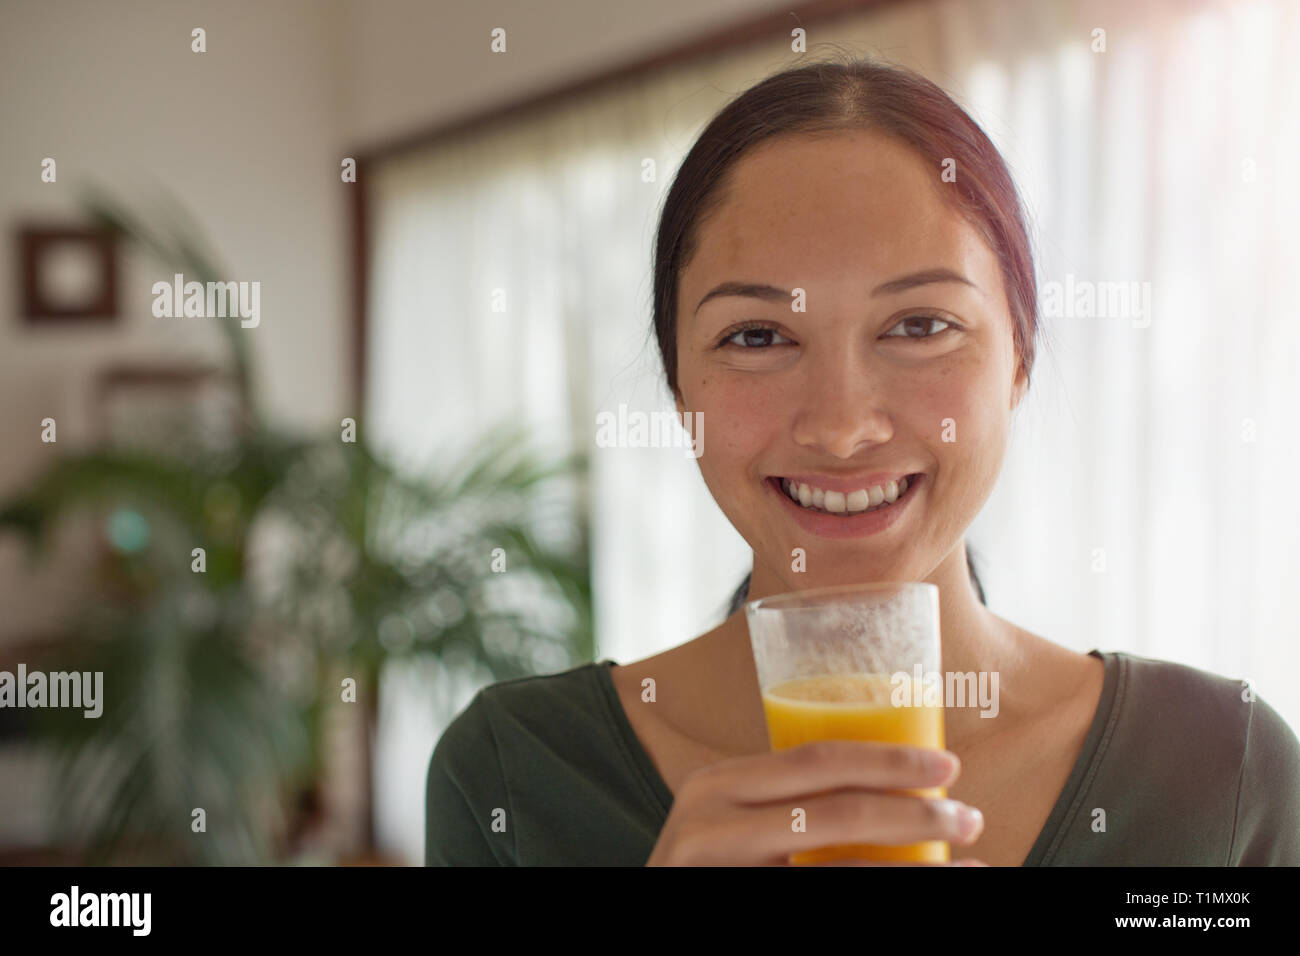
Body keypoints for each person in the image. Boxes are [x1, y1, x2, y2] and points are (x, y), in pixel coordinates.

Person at [426, 57, 1300, 866]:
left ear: (1020, 357)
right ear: (680, 383)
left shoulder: (1224, 771)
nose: (841, 428)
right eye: (758, 336)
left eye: (921, 325)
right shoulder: (515, 775)